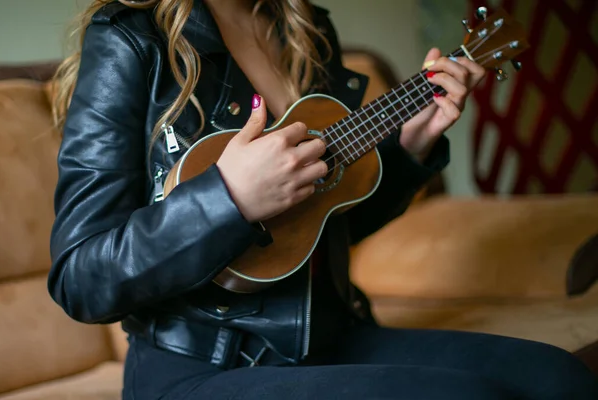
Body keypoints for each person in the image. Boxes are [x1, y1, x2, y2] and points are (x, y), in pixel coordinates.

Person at [48, 0, 598, 398]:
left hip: (335, 335)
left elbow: (324, 222)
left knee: (560, 378)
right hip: (200, 368)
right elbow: (80, 277)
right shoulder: (130, 38)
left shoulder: (306, 28)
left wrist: (409, 149)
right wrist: (229, 200)